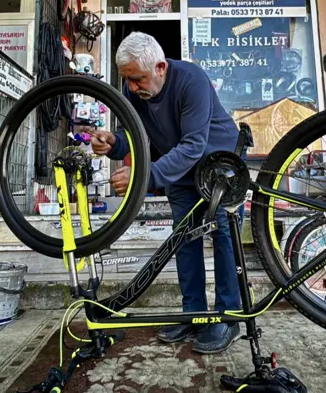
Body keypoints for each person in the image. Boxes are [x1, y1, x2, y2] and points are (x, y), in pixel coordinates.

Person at [89, 31, 243, 354]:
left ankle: (229, 318)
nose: (131, 88)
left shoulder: (191, 81)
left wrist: (145, 177)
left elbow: (193, 145)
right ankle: (193, 315)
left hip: (220, 167)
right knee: (183, 239)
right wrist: (113, 144)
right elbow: (131, 134)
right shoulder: (135, 92)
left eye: (138, 79)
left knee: (225, 237)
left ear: (160, 67)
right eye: (127, 81)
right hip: (183, 173)